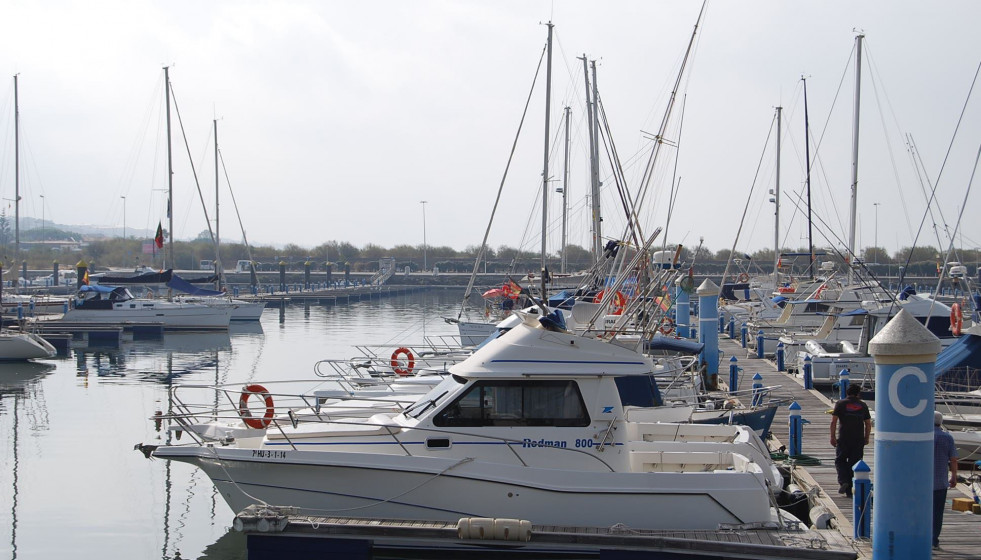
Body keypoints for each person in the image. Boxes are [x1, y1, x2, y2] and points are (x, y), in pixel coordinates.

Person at [829, 384, 872, 498]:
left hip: (843, 438)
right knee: (855, 463)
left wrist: (832, 437)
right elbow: (868, 424)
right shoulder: (863, 405)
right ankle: (850, 490)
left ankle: (844, 482)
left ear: (847, 393)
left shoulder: (840, 403)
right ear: (858, 394)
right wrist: (866, 438)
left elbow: (834, 422)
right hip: (858, 439)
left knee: (840, 460)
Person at [933, 411, 958, 550]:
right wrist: (954, 476)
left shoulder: (925, 436)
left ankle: (923, 537)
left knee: (924, 511)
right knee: (938, 512)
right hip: (941, 481)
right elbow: (953, 459)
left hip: (923, 482)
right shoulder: (948, 438)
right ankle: (934, 539)